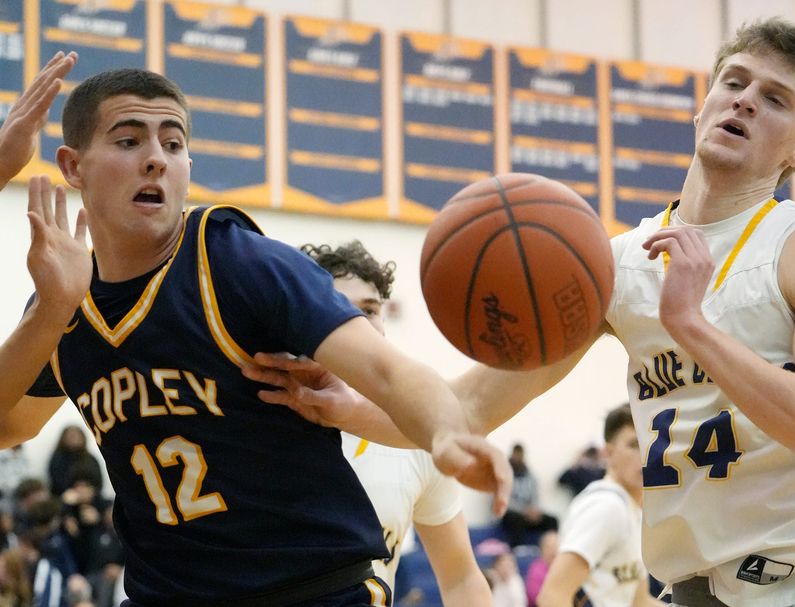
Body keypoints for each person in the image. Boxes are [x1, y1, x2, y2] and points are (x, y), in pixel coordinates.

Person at [247, 17, 795, 607]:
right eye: (733, 82)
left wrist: (691, 326)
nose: (745, 100)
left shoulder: (788, 246)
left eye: (775, 98)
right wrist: (345, 408)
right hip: (690, 589)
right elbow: (468, 408)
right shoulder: (614, 262)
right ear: (702, 109)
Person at [0, 63, 511, 607]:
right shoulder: (63, 297)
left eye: (173, 144)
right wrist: (49, 312)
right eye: (128, 140)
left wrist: (443, 430)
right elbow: (10, 426)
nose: (156, 159)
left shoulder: (237, 261)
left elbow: (384, 368)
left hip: (309, 592)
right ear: (72, 166)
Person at [293, 240, 494, 606]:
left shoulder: (412, 435)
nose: (356, 324)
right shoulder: (260, 418)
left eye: (369, 310)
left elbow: (461, 578)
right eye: (338, 306)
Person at [537, 404, 662, 607]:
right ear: (608, 453)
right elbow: (552, 597)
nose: (645, 455)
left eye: (650, 443)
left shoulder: (632, 509)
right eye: (634, 444)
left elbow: (638, 601)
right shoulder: (607, 506)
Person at [502, 444, 558, 548]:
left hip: (529, 513)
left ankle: (552, 547)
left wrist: (534, 510)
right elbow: (503, 500)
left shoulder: (530, 476)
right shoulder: (504, 474)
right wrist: (523, 510)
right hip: (511, 513)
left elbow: (535, 496)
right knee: (516, 520)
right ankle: (518, 549)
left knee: (552, 520)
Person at [47, 424, 103, 497]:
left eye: (76, 436)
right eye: (70, 436)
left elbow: (98, 483)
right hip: (63, 496)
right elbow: (56, 482)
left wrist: (88, 491)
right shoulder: (57, 459)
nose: (73, 438)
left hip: (89, 497)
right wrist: (74, 492)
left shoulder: (91, 459)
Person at [524, 530, 558, 607]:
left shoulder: (563, 568)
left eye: (555, 547)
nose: (552, 551)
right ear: (542, 549)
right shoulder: (536, 569)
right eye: (548, 547)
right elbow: (536, 597)